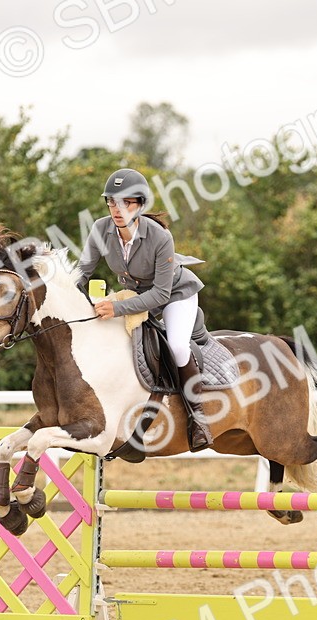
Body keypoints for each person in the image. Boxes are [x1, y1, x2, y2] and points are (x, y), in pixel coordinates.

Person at [74, 168, 213, 450]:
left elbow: (160, 292)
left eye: (126, 202)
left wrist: (117, 308)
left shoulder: (160, 237)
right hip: (134, 296)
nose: (117, 208)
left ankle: (199, 419)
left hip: (175, 295)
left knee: (176, 345)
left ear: (140, 204)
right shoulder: (100, 229)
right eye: (112, 201)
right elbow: (82, 271)